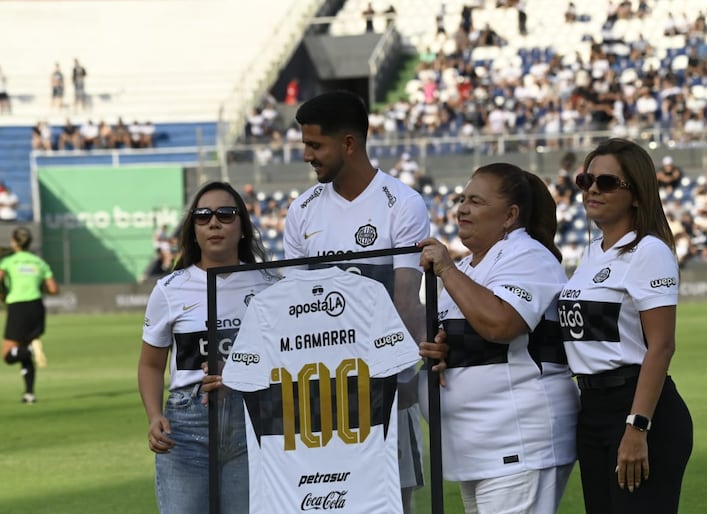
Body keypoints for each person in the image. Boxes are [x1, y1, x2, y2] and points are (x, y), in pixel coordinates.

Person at [284, 90, 430, 514]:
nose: (307, 155)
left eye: (315, 145)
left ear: (348, 143)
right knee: (326, 500)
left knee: (393, 501)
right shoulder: (303, 210)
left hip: (384, 383)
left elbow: (406, 299)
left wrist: (398, 379)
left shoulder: (400, 203)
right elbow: (293, 306)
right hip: (323, 388)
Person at [417, 163, 579, 514]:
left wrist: (446, 269)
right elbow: (472, 334)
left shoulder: (528, 256)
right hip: (480, 447)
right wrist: (444, 349)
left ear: (510, 215)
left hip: (517, 439)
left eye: (475, 201)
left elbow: (502, 323)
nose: (462, 208)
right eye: (462, 199)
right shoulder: (472, 268)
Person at [559, 138, 693, 513]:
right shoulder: (591, 253)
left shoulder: (649, 251)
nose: (592, 190)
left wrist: (637, 427)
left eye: (607, 183)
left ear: (636, 194)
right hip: (592, 410)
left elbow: (662, 345)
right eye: (586, 180)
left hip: (638, 408)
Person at [138, 181, 276, 514]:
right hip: (185, 429)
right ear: (194, 230)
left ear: (242, 225)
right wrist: (154, 415)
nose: (214, 223)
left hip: (252, 423)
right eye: (203, 216)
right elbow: (151, 365)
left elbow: (282, 360)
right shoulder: (169, 289)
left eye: (226, 214)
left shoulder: (269, 285)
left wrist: (241, 374)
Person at [1, 227, 59, 404]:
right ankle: (29, 394)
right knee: (24, 354)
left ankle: (31, 350)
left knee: (8, 355)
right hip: (36, 307)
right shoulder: (39, 262)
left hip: (18, 307)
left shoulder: (9, 261)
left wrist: (2, 295)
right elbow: (54, 289)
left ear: (14, 241)